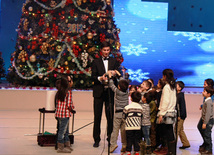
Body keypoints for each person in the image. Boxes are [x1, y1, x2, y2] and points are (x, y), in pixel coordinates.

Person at [91, 41, 120, 147]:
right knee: (97, 117)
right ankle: (96, 139)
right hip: (98, 92)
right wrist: (100, 78)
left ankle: (110, 139)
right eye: (104, 50)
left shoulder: (114, 61)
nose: (106, 52)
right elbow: (93, 76)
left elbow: (119, 74)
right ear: (101, 51)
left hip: (109, 93)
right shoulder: (95, 62)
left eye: (108, 50)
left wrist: (114, 74)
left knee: (110, 117)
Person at [156, 69, 177, 155]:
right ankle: (171, 151)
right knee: (170, 132)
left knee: (167, 133)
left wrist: (161, 113)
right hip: (171, 112)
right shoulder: (172, 86)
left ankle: (170, 151)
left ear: (165, 76)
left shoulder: (167, 87)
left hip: (166, 113)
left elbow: (165, 101)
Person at [107, 70, 129, 153]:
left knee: (115, 129)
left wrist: (110, 77)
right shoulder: (126, 92)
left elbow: (111, 85)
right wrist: (119, 75)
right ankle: (124, 144)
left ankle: (113, 144)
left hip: (118, 113)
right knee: (123, 130)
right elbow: (124, 82)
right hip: (125, 113)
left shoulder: (117, 91)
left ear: (119, 87)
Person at [55, 76, 75, 153]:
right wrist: (72, 109)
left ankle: (67, 145)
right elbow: (69, 105)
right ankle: (60, 147)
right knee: (62, 131)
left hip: (59, 114)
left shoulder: (59, 92)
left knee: (65, 130)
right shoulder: (68, 92)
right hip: (65, 114)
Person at [197, 86, 214, 154]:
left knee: (207, 134)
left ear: (209, 94)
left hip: (208, 120)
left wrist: (205, 122)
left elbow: (208, 113)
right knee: (200, 128)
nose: (202, 92)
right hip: (204, 119)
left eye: (204, 91)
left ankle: (209, 149)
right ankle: (206, 145)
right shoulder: (206, 101)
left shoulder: (209, 102)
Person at [176, 81, 190, 149]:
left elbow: (181, 107)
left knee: (176, 130)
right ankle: (186, 143)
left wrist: (179, 116)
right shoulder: (178, 94)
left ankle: (172, 146)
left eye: (177, 85)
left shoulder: (180, 95)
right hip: (181, 115)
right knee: (180, 130)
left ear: (180, 88)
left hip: (181, 116)